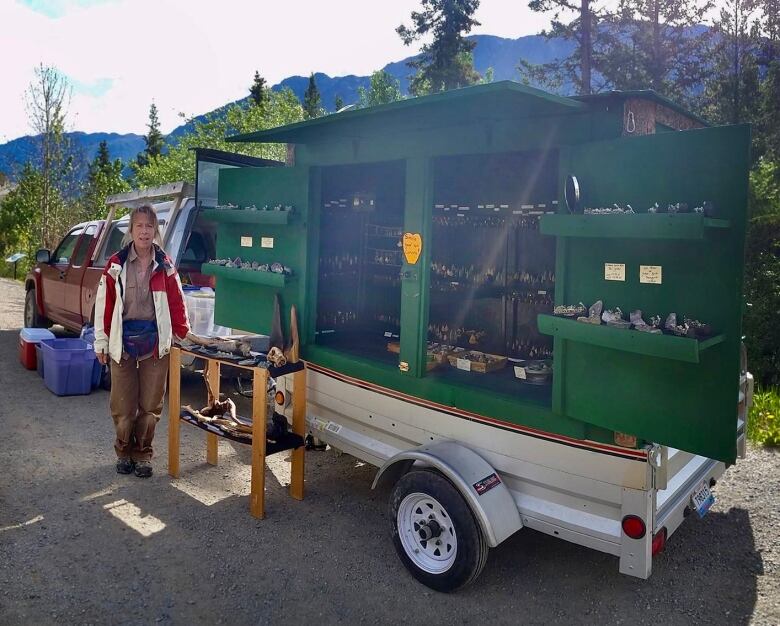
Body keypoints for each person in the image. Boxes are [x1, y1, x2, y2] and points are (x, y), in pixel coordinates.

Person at [94, 204, 190, 478]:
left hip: (154, 345)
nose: (145, 231)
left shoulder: (166, 266)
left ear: (155, 231)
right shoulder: (115, 265)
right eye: (140, 226)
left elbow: (177, 303)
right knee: (123, 408)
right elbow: (104, 306)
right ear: (131, 231)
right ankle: (124, 451)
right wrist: (101, 342)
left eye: (150, 226)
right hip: (121, 344)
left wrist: (182, 335)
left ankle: (143, 454)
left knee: (150, 406)